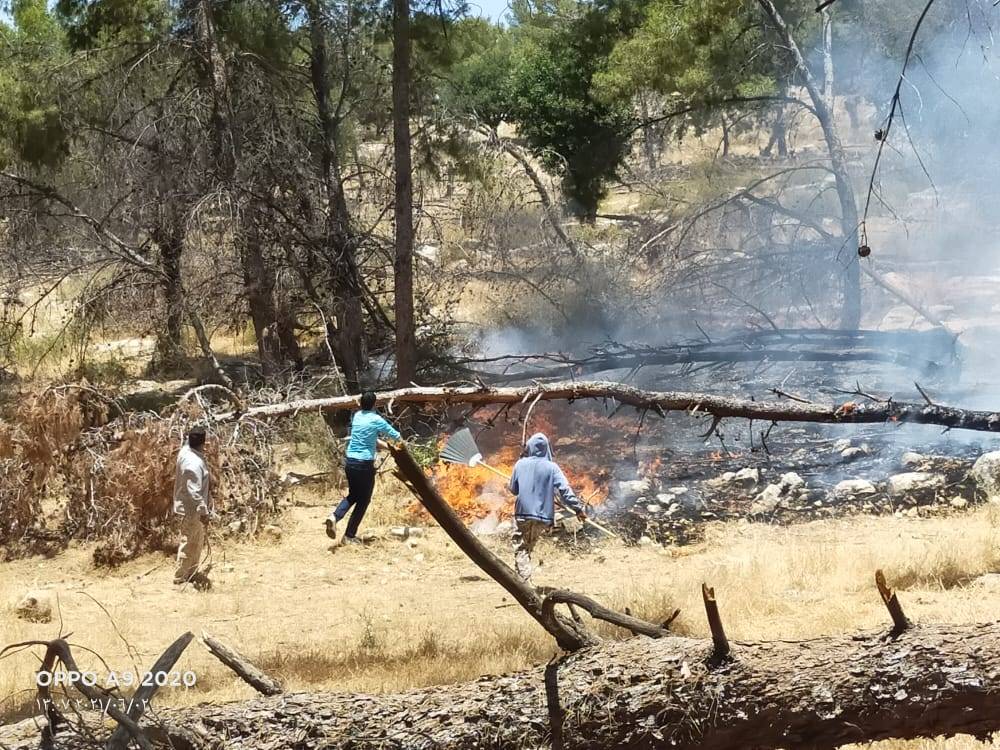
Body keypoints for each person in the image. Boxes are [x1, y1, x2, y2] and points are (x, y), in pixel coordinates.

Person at [508, 432, 587, 584]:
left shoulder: (520, 464)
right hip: (543, 517)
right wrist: (578, 509)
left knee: (522, 548)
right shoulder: (552, 467)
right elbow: (565, 490)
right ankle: (522, 581)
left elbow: (514, 490)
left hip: (523, 515)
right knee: (526, 548)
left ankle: (525, 586)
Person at [326, 391, 402, 544]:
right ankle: (349, 536)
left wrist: (388, 448)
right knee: (364, 500)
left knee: (353, 495)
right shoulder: (376, 419)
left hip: (350, 462)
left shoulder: (357, 416)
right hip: (364, 465)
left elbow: (371, 439)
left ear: (361, 404)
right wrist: (401, 445)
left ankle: (334, 516)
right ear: (374, 404)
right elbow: (396, 436)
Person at [173, 428, 211, 585]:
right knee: (188, 542)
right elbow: (194, 492)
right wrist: (203, 511)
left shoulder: (185, 451)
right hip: (191, 509)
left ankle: (192, 572)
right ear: (203, 444)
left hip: (190, 507)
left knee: (197, 540)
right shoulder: (194, 463)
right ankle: (180, 577)